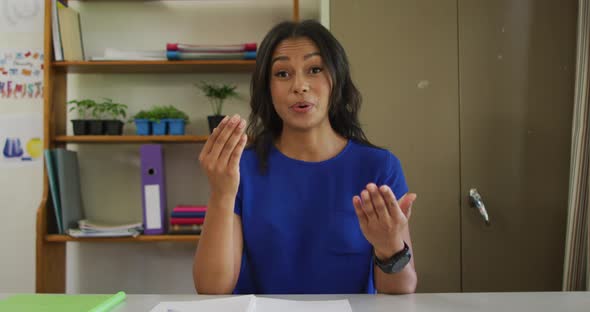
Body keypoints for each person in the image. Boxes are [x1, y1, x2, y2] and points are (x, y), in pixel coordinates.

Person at [193, 19, 417, 295]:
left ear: (337, 79)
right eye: (282, 73)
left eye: (314, 69)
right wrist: (221, 194)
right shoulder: (242, 169)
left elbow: (401, 291)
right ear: (267, 88)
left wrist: (390, 247)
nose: (299, 85)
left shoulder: (379, 167)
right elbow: (211, 289)